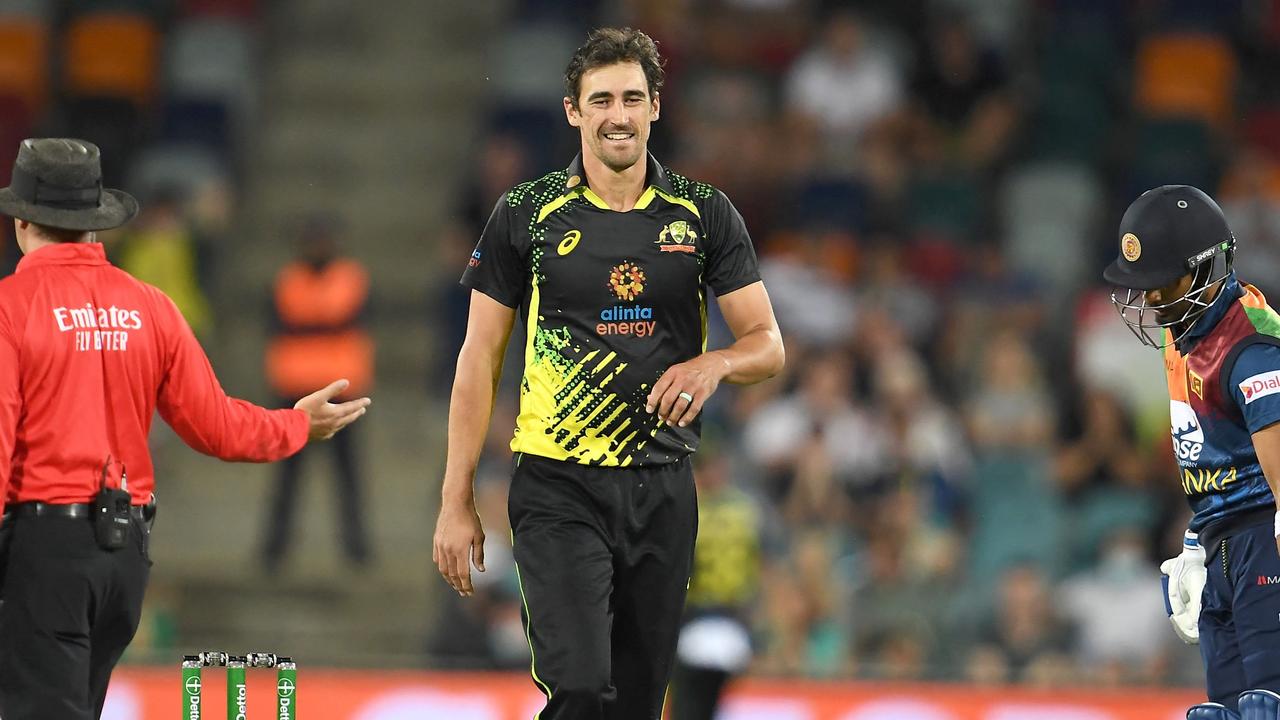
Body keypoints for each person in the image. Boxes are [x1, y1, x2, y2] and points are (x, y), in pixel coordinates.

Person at [432, 28, 785, 720]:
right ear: (573, 111)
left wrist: (716, 363)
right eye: (601, 100)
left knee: (635, 704)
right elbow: (478, 357)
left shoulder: (704, 214)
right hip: (557, 486)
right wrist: (456, 497)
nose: (617, 115)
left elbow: (768, 343)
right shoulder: (525, 215)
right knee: (582, 683)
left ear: (656, 106)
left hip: (662, 489)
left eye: (631, 98)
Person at [0, 138, 371, 720]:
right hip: (122, 558)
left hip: (44, 553)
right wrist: (296, 424)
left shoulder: (9, 307)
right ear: (96, 225)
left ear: (22, 223)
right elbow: (218, 426)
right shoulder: (150, 307)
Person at [1104, 185, 1280, 719]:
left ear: (1206, 272)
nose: (1153, 301)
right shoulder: (1185, 335)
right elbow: (1209, 452)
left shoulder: (1251, 348)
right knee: (1225, 714)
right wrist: (1197, 540)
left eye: (1163, 285)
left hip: (1263, 545)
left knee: (1265, 709)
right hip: (1223, 545)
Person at [261, 215, 374, 570]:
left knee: (347, 475)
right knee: (288, 479)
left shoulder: (348, 278)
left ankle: (357, 549)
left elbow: (327, 317)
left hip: (340, 390)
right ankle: (274, 549)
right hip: (296, 392)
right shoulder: (289, 281)